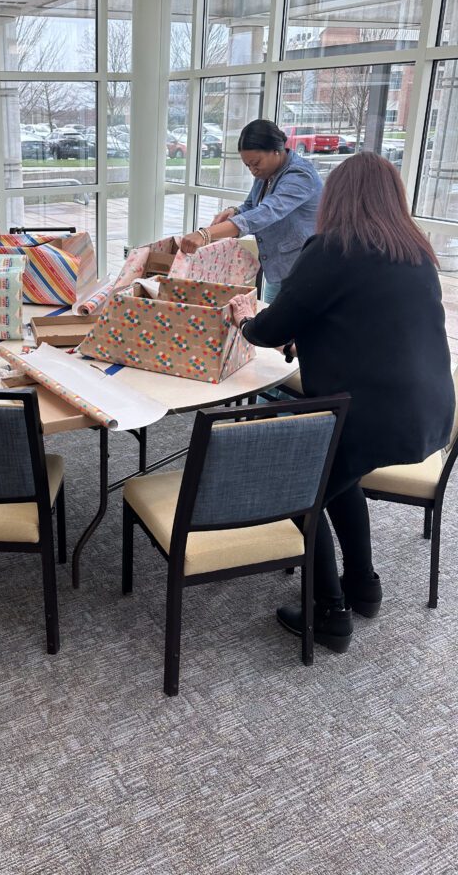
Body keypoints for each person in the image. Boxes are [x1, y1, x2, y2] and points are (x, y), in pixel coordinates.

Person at [229, 152, 454, 653]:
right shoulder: (415, 251)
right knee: (337, 478)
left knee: (295, 485)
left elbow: (270, 328)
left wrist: (246, 315)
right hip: (429, 414)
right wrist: (305, 334)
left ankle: (328, 612)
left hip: (369, 417)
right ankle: (363, 585)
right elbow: (367, 325)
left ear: (337, 198)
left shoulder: (333, 248)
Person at [180, 119, 323, 302]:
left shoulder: (300, 176)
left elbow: (265, 212)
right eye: (248, 166)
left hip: (303, 270)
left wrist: (206, 234)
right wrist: (234, 211)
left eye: (256, 163)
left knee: (287, 326)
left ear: (275, 150)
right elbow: (251, 205)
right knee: (272, 321)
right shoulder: (267, 172)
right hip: (278, 268)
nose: (253, 171)